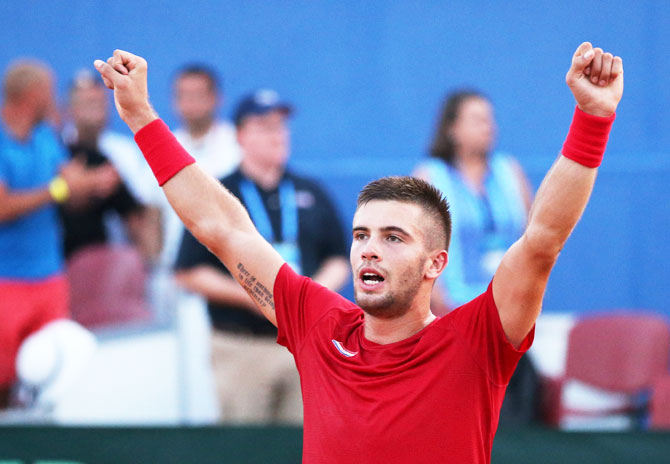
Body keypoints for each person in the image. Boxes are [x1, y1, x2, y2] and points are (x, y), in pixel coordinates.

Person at [94, 42, 623, 463]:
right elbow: (222, 227)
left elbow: (542, 240)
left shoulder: (477, 341)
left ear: (435, 264)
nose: (369, 250)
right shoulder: (319, 324)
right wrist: (141, 116)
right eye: (361, 235)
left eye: (394, 238)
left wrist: (593, 120)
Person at [175, 89, 350, 424]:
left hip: (302, 346)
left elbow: (339, 256)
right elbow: (188, 271)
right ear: (240, 135)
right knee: (246, 448)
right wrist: (254, 296)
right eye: (265, 126)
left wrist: (310, 293)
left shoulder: (309, 191)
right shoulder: (219, 194)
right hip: (243, 346)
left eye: (282, 126)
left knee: (305, 445)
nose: (278, 135)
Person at [0, 60, 100, 408]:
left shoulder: (46, 136)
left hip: (50, 279)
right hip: (6, 282)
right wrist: (59, 189)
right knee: (3, 380)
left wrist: (90, 185)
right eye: (49, 90)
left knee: (52, 373)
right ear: (31, 95)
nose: (54, 98)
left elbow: (67, 187)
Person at [414, 90, 532, 314]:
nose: (489, 127)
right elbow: (416, 248)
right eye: (478, 120)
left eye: (490, 120)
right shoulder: (430, 176)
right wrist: (439, 301)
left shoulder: (511, 171)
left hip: (510, 308)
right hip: (452, 309)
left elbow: (534, 235)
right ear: (452, 129)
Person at [60, 70, 161, 261]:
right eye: (87, 103)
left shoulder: (125, 151)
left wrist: (149, 259)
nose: (94, 110)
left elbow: (141, 207)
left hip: (114, 259)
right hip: (63, 258)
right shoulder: (57, 149)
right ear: (69, 109)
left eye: (99, 102)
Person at [162, 64, 241, 267]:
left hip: (227, 264)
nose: (191, 103)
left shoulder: (237, 145)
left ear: (216, 98)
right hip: (173, 266)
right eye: (184, 95)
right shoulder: (161, 147)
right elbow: (151, 211)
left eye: (198, 95)